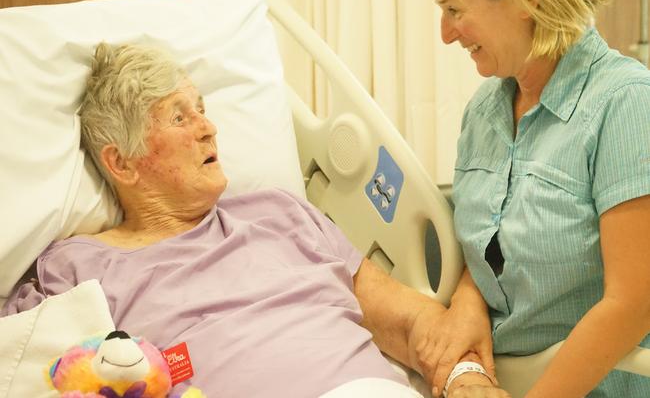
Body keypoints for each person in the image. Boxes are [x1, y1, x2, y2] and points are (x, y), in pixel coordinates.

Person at [1, 42, 509, 398]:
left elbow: (410, 319)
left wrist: (466, 377)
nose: (209, 127)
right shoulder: (75, 269)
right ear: (121, 163)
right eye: (179, 117)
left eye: (201, 109)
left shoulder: (280, 214)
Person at [419, 0, 650, 397]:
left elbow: (633, 304)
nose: (445, 33)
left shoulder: (626, 103)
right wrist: (468, 303)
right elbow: (490, 253)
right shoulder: (485, 110)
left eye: (454, 9)